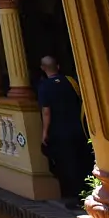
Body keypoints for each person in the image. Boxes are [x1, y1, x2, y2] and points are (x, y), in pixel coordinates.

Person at [37, 56, 94, 209]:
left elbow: (46, 112)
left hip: (59, 131)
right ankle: (88, 191)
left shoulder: (45, 87)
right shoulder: (71, 81)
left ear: (43, 68)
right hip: (78, 128)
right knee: (82, 160)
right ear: (59, 66)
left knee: (67, 164)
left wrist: (44, 133)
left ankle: (75, 197)